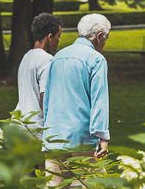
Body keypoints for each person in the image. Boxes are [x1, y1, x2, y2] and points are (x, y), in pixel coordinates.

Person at [42, 13, 111, 168]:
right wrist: (102, 137)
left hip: (54, 135)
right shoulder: (96, 59)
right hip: (82, 138)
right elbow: (99, 100)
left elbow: (47, 100)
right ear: (100, 36)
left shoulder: (58, 56)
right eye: (106, 39)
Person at [15, 12, 62, 135]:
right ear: (50, 36)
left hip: (19, 123)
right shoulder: (47, 60)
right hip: (36, 128)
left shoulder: (27, 57)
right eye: (58, 36)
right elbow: (44, 98)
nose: (59, 41)